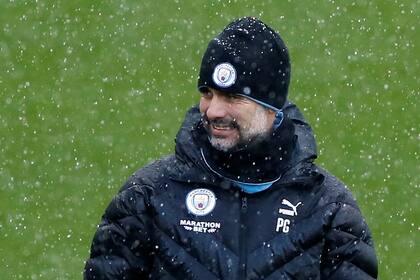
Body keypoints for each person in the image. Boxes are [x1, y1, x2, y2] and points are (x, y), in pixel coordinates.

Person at [84, 17, 378, 279]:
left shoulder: (329, 211)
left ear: (271, 110)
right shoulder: (146, 197)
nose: (213, 111)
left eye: (232, 97)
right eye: (208, 94)